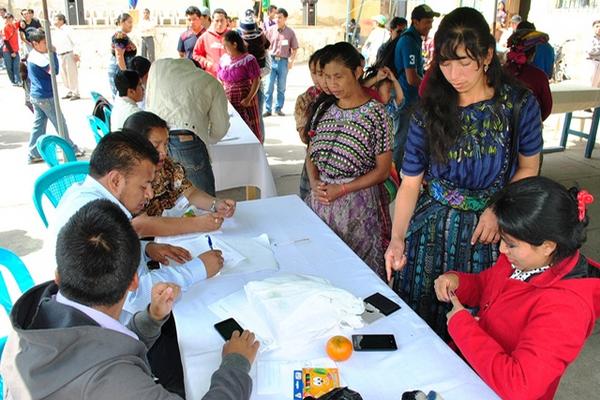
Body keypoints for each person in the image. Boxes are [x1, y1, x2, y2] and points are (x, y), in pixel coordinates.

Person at [385, 7, 543, 337]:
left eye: (464, 62)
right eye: (445, 63)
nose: (454, 74)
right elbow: (411, 183)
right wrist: (397, 238)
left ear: (487, 56)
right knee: (421, 323)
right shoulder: (429, 110)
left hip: (487, 233)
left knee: (476, 327)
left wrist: (498, 209)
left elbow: (529, 167)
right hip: (430, 231)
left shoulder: (518, 104)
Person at [1, 199, 260, 399]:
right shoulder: (115, 382)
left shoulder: (32, 322)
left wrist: (150, 320)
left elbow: (95, 342)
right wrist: (235, 364)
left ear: (58, 275)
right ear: (134, 282)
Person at [50, 132, 225, 395]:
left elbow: (108, 261)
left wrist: (145, 249)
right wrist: (198, 268)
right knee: (198, 352)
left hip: (91, 331)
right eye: (144, 185)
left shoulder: (83, 196)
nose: (150, 193)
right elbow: (136, 292)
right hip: (112, 333)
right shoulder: (101, 217)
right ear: (116, 180)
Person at [434, 176, 599, 400]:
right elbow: (486, 285)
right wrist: (457, 282)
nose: (502, 249)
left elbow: (519, 387)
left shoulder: (566, 309)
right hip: (474, 372)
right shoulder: (524, 259)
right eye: (502, 239)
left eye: (510, 244)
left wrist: (462, 326)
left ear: (548, 246)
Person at [306, 41, 393, 279]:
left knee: (357, 272)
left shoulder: (376, 114)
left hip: (358, 207)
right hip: (321, 201)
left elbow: (382, 171)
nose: (332, 84)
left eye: (338, 77)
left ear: (357, 72)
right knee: (322, 269)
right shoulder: (324, 108)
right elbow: (311, 153)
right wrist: (314, 183)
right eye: (327, 77)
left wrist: (342, 188)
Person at [123, 111, 236, 237]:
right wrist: (196, 224)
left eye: (166, 144)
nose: (163, 152)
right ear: (135, 146)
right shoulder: (128, 177)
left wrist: (216, 204)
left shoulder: (166, 166)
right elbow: (141, 225)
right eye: (155, 146)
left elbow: (190, 192)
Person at [146, 58, 230, 196]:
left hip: (154, 141)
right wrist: (207, 138)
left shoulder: (157, 68)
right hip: (187, 142)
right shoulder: (210, 82)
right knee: (202, 200)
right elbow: (220, 128)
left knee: (163, 198)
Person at [393, 4, 438, 175]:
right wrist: (430, 89)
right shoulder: (409, 41)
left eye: (431, 22)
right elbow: (412, 78)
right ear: (415, 21)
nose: (430, 26)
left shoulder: (414, 40)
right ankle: (394, 178)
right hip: (406, 99)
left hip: (411, 98)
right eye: (426, 22)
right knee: (402, 140)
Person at [26, 28, 83, 164]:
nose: (47, 45)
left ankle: (33, 152)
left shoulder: (34, 55)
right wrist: (53, 53)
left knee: (39, 125)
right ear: (35, 43)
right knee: (60, 123)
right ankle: (71, 148)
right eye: (45, 43)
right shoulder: (38, 58)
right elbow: (54, 70)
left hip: (38, 95)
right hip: (45, 96)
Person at [218, 30, 262, 142]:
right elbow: (220, 78)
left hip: (244, 98)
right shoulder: (224, 60)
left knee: (247, 126)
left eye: (226, 45)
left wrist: (248, 99)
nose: (224, 48)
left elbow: (256, 80)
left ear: (234, 44)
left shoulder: (249, 59)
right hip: (228, 98)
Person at [505, 29, 553, 121]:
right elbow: (546, 108)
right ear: (532, 54)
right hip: (529, 129)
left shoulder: (501, 71)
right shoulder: (539, 76)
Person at [238, 10, 270, 138]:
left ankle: (259, 143)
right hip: (239, 88)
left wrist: (255, 76)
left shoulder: (262, 46)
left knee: (257, 115)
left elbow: (267, 68)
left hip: (258, 88)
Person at [264, 8, 298, 117]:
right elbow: (264, 46)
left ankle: (278, 108)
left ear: (285, 18)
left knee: (281, 87)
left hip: (283, 62)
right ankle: (268, 109)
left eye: (280, 17)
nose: (277, 19)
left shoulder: (290, 32)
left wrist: (291, 61)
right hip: (271, 60)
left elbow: (295, 48)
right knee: (268, 86)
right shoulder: (270, 30)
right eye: (276, 17)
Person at [192, 8, 229, 77]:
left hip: (230, 78)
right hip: (211, 77)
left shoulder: (233, 36)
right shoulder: (204, 37)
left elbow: (242, 54)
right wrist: (206, 62)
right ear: (212, 21)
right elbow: (196, 55)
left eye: (222, 20)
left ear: (226, 21)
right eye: (217, 21)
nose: (219, 24)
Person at [108, 13, 137, 97]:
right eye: (129, 22)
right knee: (120, 97)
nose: (131, 25)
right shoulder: (120, 36)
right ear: (122, 22)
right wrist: (126, 74)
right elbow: (119, 56)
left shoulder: (123, 35)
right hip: (119, 70)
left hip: (120, 69)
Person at [53, 13, 80, 100]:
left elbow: (76, 41)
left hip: (69, 54)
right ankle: (69, 90)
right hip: (60, 54)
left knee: (71, 74)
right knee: (63, 74)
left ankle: (75, 92)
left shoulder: (68, 29)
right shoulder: (56, 31)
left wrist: (76, 53)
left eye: (56, 20)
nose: (54, 22)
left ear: (61, 20)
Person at [2, 13, 21, 86]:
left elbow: (20, 22)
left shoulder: (14, 25)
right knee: (9, 67)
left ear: (12, 18)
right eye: (6, 18)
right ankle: (13, 81)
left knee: (16, 66)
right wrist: (12, 52)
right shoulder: (5, 28)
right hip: (7, 50)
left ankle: (18, 80)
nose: (8, 19)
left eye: (10, 18)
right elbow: (5, 41)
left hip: (16, 49)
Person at [588, 19, 600, 88]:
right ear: (593, 28)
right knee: (592, 86)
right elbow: (590, 51)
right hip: (594, 63)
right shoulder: (590, 39)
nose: (599, 28)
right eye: (597, 26)